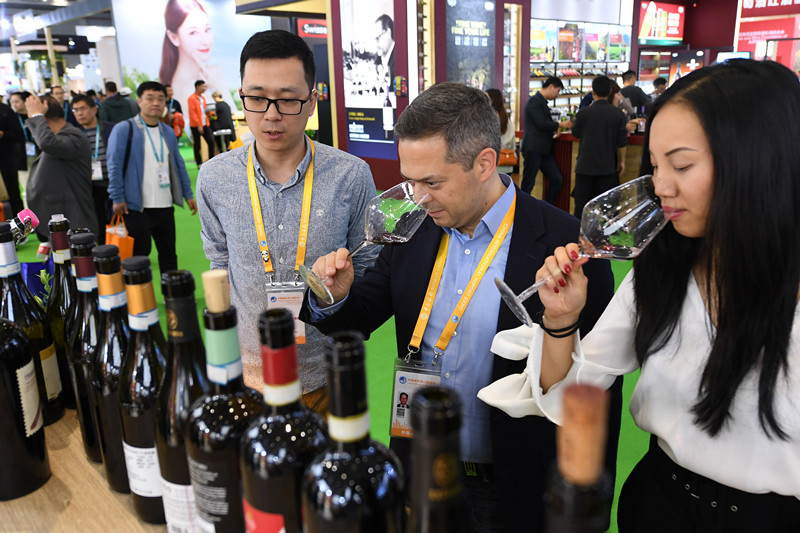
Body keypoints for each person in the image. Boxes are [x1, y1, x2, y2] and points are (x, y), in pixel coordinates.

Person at [480, 59, 800, 533]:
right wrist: (563, 320)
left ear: (757, 158)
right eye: (653, 166)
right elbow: (569, 390)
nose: (661, 188)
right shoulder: (661, 267)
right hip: (660, 503)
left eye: (682, 164)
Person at [299, 82, 620, 533]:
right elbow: (363, 314)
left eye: (432, 182)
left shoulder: (566, 249)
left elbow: (596, 389)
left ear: (485, 162)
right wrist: (335, 295)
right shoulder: (412, 228)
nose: (418, 197)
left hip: (515, 481)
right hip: (421, 463)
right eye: (409, 180)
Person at [196, 30, 378, 412]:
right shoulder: (214, 178)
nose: (272, 114)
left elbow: (368, 269)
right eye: (257, 98)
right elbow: (220, 265)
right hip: (249, 379)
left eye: (288, 99)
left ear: (312, 101)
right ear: (242, 97)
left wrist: (340, 292)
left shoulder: (351, 175)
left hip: (329, 376)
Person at [106, 81, 197, 273]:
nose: (156, 102)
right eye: (150, 98)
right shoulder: (125, 129)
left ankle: (171, 298)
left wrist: (188, 194)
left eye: (160, 99)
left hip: (164, 205)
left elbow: (178, 164)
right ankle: (139, 301)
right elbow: (113, 164)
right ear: (138, 101)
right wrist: (117, 196)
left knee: (169, 254)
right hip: (136, 207)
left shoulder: (169, 132)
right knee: (139, 256)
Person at [24, 94, 98, 239]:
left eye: (36, 122)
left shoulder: (72, 136)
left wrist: (37, 115)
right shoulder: (62, 136)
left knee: (79, 260)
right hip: (61, 220)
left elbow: (47, 143)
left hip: (74, 219)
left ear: (44, 120)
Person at [159, 0, 236, 116]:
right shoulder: (182, 88)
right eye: (193, 33)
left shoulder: (211, 75)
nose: (205, 41)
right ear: (173, 37)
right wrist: (221, 87)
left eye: (207, 30)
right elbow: (231, 114)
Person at [570, 75, 629, 218]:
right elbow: (621, 142)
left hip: (585, 167)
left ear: (593, 92)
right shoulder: (617, 114)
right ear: (610, 92)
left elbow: (575, 133)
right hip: (607, 168)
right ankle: (604, 239)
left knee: (581, 209)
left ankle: (577, 238)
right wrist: (622, 161)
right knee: (609, 211)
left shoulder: (583, 113)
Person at [520, 76, 572, 204]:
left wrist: (554, 130)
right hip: (533, 148)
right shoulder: (534, 101)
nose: (557, 95)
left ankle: (546, 207)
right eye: (558, 91)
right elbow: (541, 123)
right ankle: (520, 210)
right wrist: (560, 125)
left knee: (557, 179)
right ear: (551, 87)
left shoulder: (541, 102)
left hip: (544, 149)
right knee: (528, 183)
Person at [72, 94, 115, 243]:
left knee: (119, 222)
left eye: (83, 108)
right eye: (75, 110)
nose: (79, 113)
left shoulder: (110, 128)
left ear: (94, 109)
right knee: (98, 224)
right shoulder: (74, 134)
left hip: (112, 183)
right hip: (90, 187)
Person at [0, 100, 26, 216]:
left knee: (13, 194)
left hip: (6, 160)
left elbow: (18, 135)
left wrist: (3, 135)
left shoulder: (5, 111)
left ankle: (22, 227)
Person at [486, 88, 516, 178]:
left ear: (493, 101)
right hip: (506, 162)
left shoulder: (490, 118)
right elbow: (512, 140)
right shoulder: (506, 118)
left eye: (487, 98)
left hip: (493, 164)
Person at [188, 80, 216, 166]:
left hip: (205, 124)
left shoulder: (203, 98)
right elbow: (192, 113)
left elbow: (203, 111)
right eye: (203, 86)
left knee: (211, 142)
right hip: (196, 125)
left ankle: (211, 161)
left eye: (205, 86)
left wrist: (209, 112)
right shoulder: (191, 98)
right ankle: (199, 163)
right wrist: (198, 125)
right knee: (197, 144)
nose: (205, 88)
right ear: (198, 86)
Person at [375, 14, 395, 85]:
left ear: (388, 32)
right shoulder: (379, 57)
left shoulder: (399, 57)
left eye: (378, 38)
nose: (376, 43)